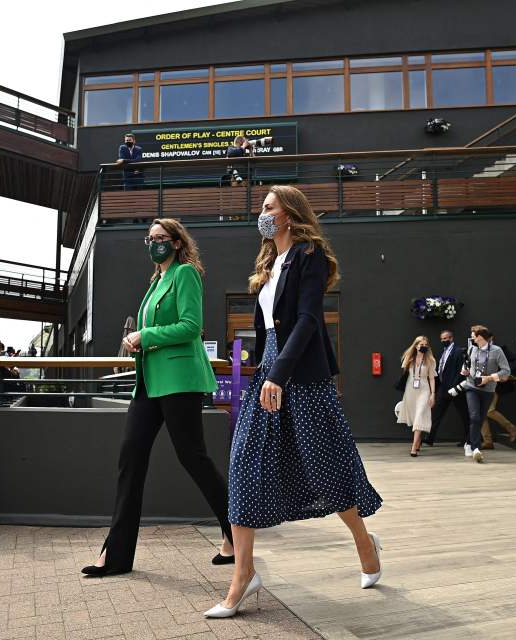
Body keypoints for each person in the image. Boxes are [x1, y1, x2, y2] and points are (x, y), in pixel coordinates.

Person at [208, 185, 383, 619]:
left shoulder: (309, 257)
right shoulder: (269, 264)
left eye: (268, 207)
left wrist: (280, 377)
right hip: (270, 370)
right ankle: (243, 574)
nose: (261, 214)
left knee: (324, 470)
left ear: (289, 214)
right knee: (244, 465)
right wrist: (266, 374)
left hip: (300, 376)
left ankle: (364, 541)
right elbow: (269, 331)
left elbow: (306, 321)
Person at [82, 218, 234, 577]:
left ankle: (236, 532)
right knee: (130, 459)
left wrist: (145, 335)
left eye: (160, 238)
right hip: (149, 383)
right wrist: (137, 339)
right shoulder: (156, 282)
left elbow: (191, 326)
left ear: (177, 242)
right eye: (148, 239)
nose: (153, 244)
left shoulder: (184, 274)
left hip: (180, 380)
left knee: (193, 458)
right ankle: (116, 555)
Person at [460, 325, 511, 464]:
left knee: (480, 418)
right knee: (474, 416)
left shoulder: (497, 351)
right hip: (471, 386)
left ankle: (469, 442)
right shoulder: (472, 348)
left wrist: (489, 378)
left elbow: (506, 372)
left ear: (480, 337)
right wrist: (464, 371)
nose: (471, 338)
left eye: (473, 335)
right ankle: (476, 449)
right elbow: (468, 366)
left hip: (488, 390)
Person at [425, 329, 469, 447]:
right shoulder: (444, 352)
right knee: (436, 413)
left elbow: (461, 371)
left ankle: (468, 439)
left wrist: (456, 387)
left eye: (445, 338)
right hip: (443, 388)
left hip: (456, 390)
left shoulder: (458, 352)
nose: (443, 341)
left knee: (464, 414)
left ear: (451, 338)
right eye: (442, 339)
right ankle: (430, 438)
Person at [396, 336, 436, 457]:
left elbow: (432, 378)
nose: (423, 346)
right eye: (420, 344)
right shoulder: (409, 358)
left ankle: (413, 447)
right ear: (416, 345)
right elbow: (404, 372)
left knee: (419, 415)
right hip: (410, 389)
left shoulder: (430, 360)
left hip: (424, 389)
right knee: (415, 416)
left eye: (425, 345)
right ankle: (418, 441)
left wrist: (433, 394)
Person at [480, 335, 516, 450]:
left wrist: (508, 373)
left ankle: (510, 428)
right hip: (483, 385)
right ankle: (488, 441)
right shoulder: (478, 350)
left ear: (491, 338)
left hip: (496, 385)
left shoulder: (500, 349)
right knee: (480, 413)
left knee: (489, 411)